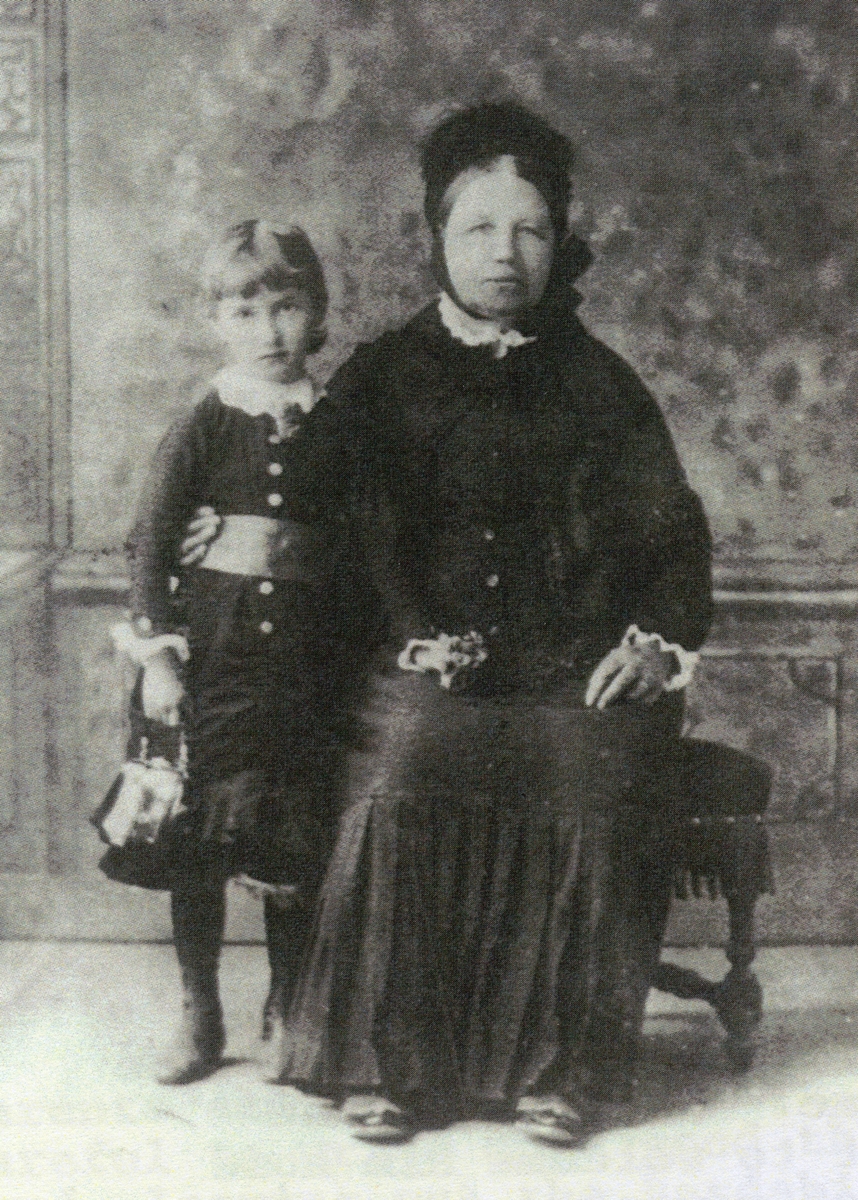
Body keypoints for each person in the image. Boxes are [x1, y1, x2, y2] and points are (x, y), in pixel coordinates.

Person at [266, 101, 714, 1146]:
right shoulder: (379, 379)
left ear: (559, 241)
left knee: (592, 769)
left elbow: (676, 543)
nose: (505, 254)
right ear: (438, 237)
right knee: (413, 754)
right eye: (479, 228)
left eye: (529, 230)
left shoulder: (602, 385)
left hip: (572, 670)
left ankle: (569, 1074)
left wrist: (652, 643)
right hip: (423, 662)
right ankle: (390, 1064)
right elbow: (312, 526)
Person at [113, 220, 359, 1085]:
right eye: (245, 310)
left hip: (301, 671)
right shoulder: (206, 422)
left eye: (287, 308)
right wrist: (159, 661)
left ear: (317, 313)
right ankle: (200, 1008)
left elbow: (368, 541)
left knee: (290, 840)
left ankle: (287, 1001)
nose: (268, 331)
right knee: (198, 844)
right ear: (219, 320)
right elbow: (150, 542)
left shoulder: (336, 427)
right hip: (211, 662)